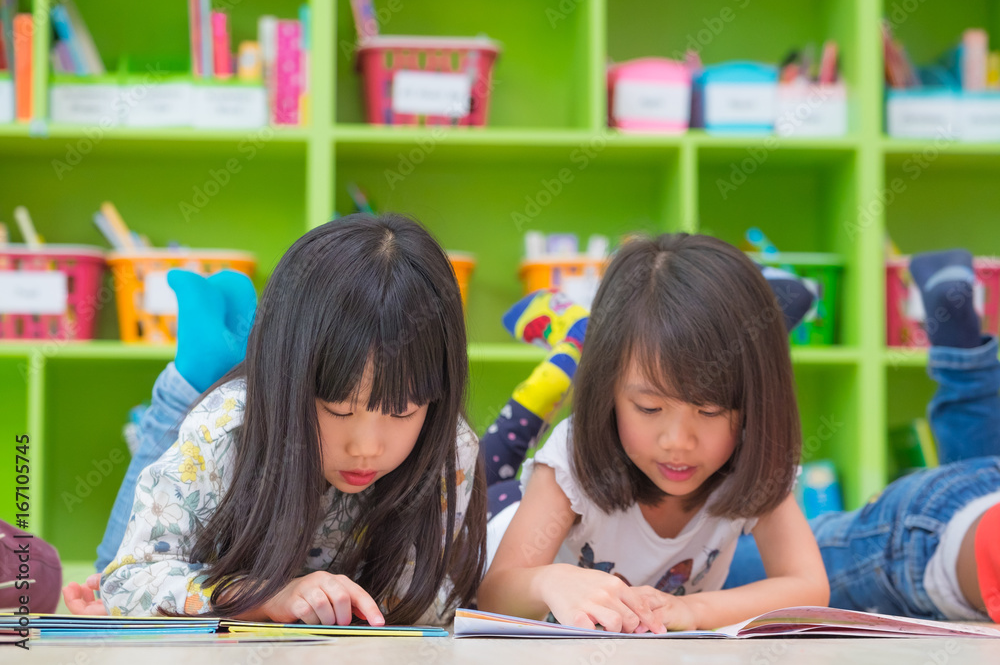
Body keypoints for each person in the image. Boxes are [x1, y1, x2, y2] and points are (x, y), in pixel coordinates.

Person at [66, 214, 486, 626]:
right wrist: (266, 596)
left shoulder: (452, 448)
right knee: (105, 574)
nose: (366, 447)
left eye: (401, 412)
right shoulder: (226, 425)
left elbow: (430, 602)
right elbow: (127, 580)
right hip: (220, 501)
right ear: (289, 382)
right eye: (339, 409)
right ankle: (187, 383)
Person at [476, 233, 830, 633]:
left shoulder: (752, 456)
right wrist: (547, 580)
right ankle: (576, 344)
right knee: (484, 471)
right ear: (608, 391)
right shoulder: (570, 460)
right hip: (495, 518)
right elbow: (494, 596)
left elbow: (809, 587)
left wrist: (693, 611)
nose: (677, 441)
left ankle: (588, 338)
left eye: (709, 410)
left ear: (753, 405)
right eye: (649, 408)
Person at [723, 248, 1000, 625]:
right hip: (926, 543)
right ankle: (761, 332)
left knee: (981, 479)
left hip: (978, 496)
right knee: (705, 576)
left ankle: (961, 348)